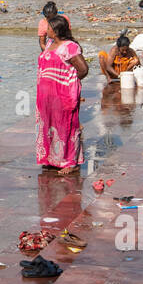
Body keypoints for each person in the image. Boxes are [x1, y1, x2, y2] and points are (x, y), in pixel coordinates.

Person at [35, 15, 87, 174]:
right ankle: (53, 159)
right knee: (49, 126)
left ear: (56, 31)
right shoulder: (49, 43)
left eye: (49, 28)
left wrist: (67, 83)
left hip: (63, 95)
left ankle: (70, 163)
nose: (46, 30)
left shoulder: (70, 47)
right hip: (46, 97)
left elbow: (83, 69)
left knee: (67, 126)